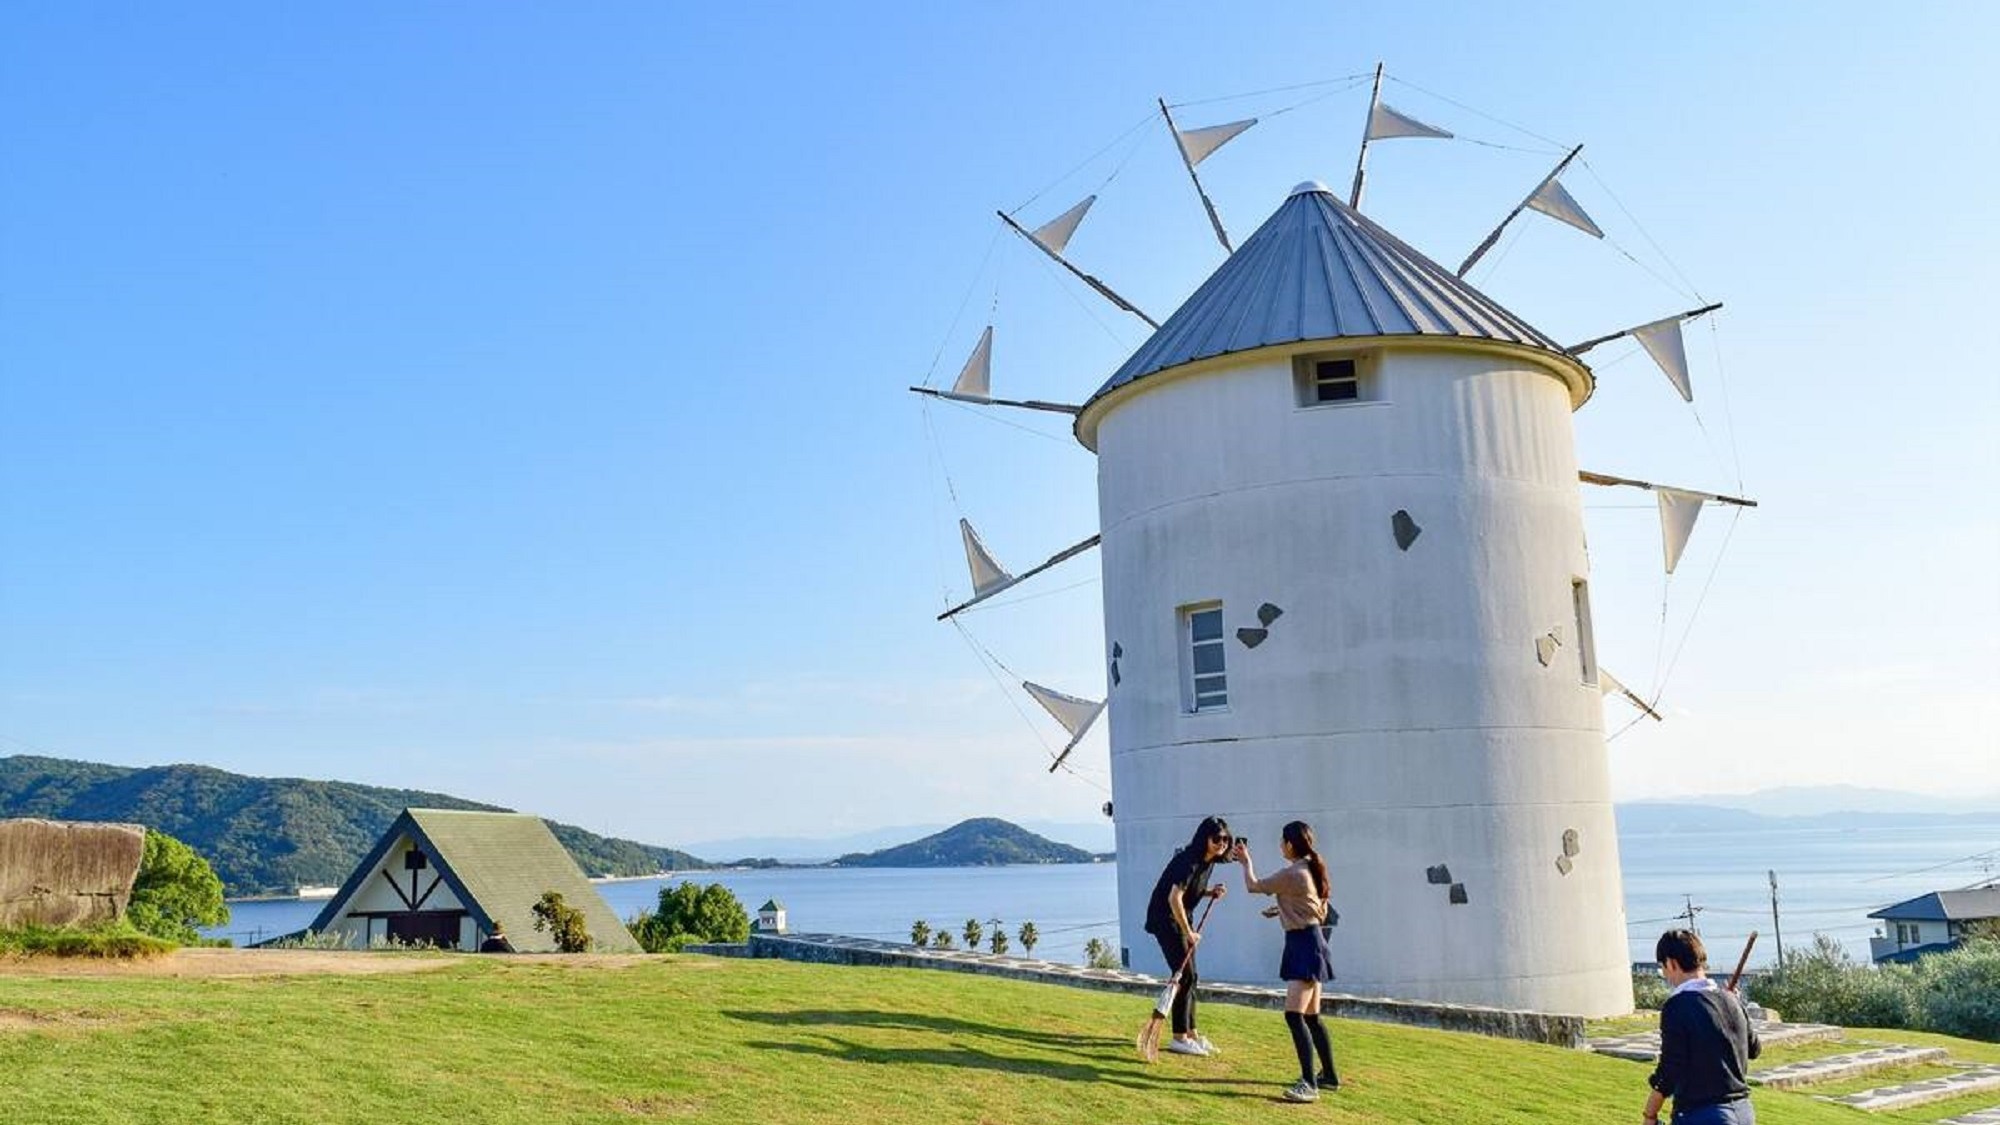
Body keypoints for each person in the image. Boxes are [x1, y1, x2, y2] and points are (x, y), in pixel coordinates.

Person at [1235, 821, 1338, 1103]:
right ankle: (1328, 1076)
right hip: (1314, 942)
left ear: (1290, 844)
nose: (1280, 845)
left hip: (1303, 945)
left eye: (1282, 841)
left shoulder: (1292, 872)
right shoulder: (1312, 869)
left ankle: (1309, 1084)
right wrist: (1280, 909)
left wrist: (1245, 861)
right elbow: (1316, 906)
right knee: (1312, 1017)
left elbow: (1253, 886)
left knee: (1293, 1015)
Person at [1643, 929, 1760, 1125]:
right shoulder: (1731, 1000)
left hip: (1702, 1114)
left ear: (1671, 963)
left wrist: (1650, 1114)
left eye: (1663, 967)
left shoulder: (1677, 1006)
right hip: (1743, 1112)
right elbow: (1754, 1049)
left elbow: (1671, 1069)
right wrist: (1737, 1007)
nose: (1665, 975)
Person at [1143, 815, 1231, 1056]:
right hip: (1165, 919)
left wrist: (1209, 892)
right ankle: (1179, 1038)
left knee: (1191, 976)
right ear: (1204, 839)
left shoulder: (1208, 861)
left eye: (1225, 839)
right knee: (1185, 976)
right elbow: (1174, 898)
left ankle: (1191, 1033)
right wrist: (1187, 931)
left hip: (1179, 918)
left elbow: (1190, 889)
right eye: (1216, 839)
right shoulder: (1189, 861)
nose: (1221, 843)